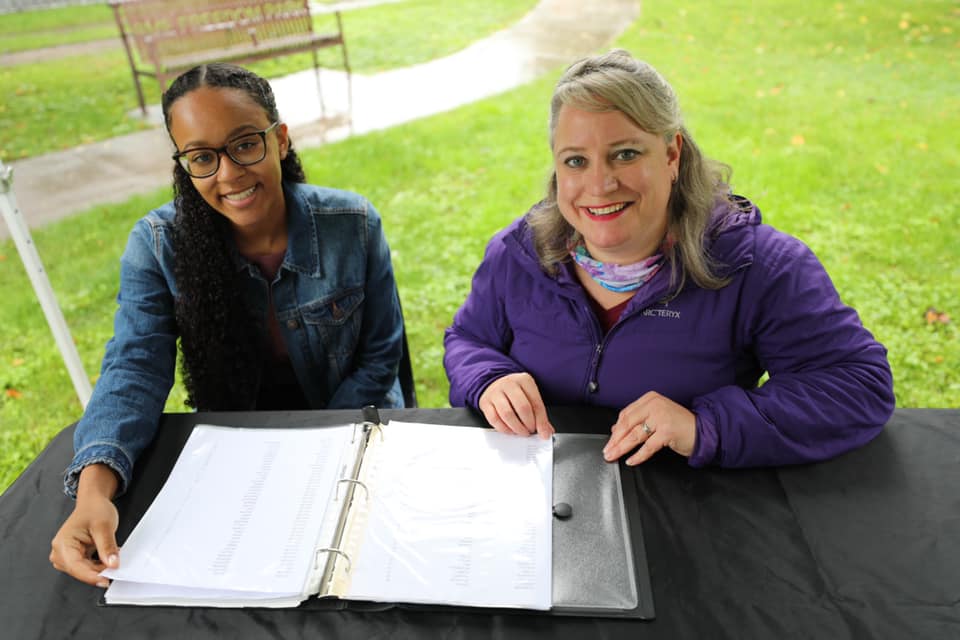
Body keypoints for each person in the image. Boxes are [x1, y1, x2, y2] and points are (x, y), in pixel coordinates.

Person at [444, 49, 894, 469]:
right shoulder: (518, 253)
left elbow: (858, 386)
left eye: (625, 154)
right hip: (537, 503)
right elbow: (469, 338)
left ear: (672, 154)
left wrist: (706, 426)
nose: (599, 185)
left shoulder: (760, 266)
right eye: (576, 161)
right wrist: (487, 378)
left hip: (690, 513)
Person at [50, 63, 405, 586]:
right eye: (202, 157)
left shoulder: (352, 225)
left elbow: (380, 358)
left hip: (351, 430)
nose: (229, 173)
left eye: (245, 145)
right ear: (184, 164)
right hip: (239, 452)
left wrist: (314, 458)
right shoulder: (157, 245)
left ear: (280, 140)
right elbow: (134, 367)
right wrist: (94, 492)